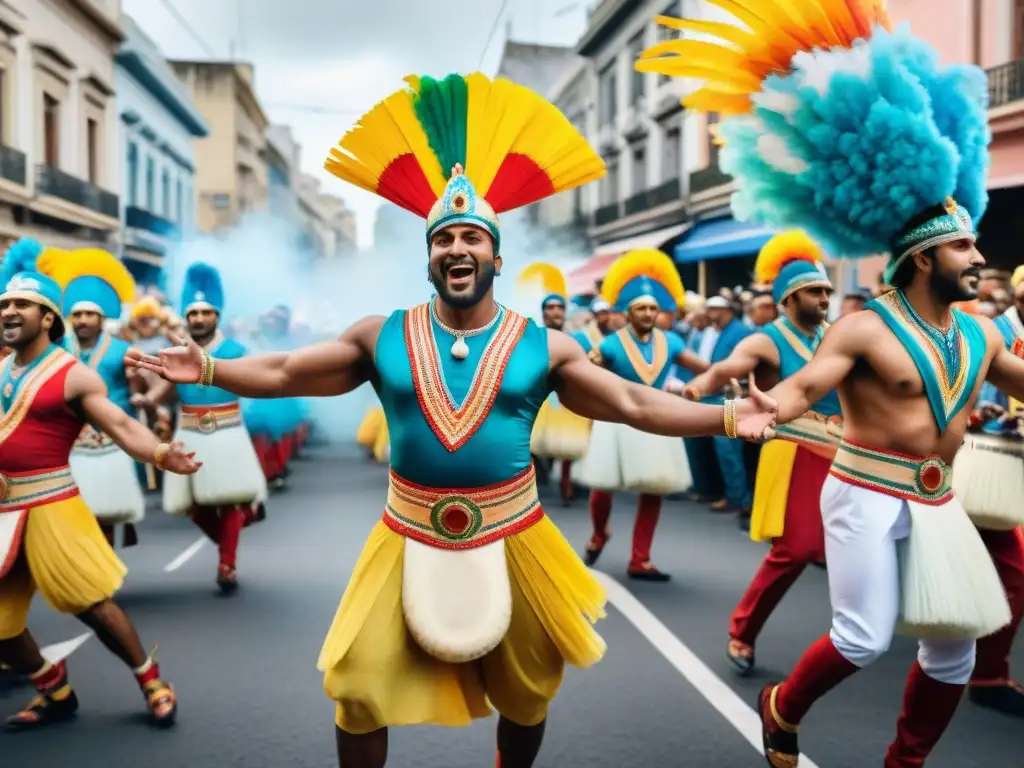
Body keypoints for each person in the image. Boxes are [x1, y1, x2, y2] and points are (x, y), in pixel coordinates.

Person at [126, 71, 776, 767]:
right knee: (357, 688)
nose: (457, 248)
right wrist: (211, 370)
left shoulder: (544, 344)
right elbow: (287, 372)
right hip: (405, 532)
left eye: (472, 238)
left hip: (515, 532)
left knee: (528, 695)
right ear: (429, 256)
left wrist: (727, 418)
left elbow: (635, 403)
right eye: (444, 240)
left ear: (497, 255)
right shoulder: (380, 336)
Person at [641, 3, 1020, 764]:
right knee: (862, 636)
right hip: (866, 491)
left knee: (952, 654)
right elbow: (803, 388)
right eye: (964, 245)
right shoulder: (862, 328)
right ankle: (781, 705)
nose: (979, 255)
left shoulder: (981, 332)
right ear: (922, 259)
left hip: (939, 495)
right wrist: (762, 408)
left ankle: (903, 761)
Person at [0, 253, 199, 730]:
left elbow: (122, 425)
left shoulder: (73, 375)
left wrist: (159, 453)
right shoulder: (2, 368)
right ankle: (54, 687)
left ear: (48, 317)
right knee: (2, 627)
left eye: (21, 305)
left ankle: (152, 681)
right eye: (4, 303)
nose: (8, 312)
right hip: (5, 512)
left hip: (52, 505)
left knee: (94, 607)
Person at [684, 231, 838, 672]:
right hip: (796, 450)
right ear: (788, 299)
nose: (824, 297)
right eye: (814, 291)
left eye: (827, 289)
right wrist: (698, 388)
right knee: (796, 551)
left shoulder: (840, 336)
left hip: (849, 453)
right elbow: (727, 368)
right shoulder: (768, 340)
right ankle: (743, 629)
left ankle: (857, 640)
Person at [133, 262, 266, 594]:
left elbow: (257, 384)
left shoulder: (237, 351)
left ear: (217, 316)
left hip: (229, 431)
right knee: (190, 505)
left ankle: (227, 564)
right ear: (186, 317)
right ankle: (230, 540)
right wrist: (145, 400)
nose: (199, 318)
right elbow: (162, 393)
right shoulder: (176, 353)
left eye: (206, 312)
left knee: (232, 500)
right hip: (189, 432)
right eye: (193, 313)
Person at [573, 248, 700, 582]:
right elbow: (585, 367)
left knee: (653, 490)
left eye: (653, 308)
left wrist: (728, 378)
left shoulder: (671, 340)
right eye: (641, 308)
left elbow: (704, 368)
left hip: (656, 418)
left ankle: (640, 559)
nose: (647, 313)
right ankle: (600, 533)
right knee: (602, 487)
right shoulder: (613, 345)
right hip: (616, 419)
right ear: (627, 312)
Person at [36, 247, 147, 548]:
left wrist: (139, 402)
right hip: (69, 440)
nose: (83, 319)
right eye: (78, 314)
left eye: (90, 314)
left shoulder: (123, 351)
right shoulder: (57, 352)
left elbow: (137, 388)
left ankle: (104, 577)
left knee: (106, 511)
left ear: (101, 318)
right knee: (74, 512)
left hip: (111, 436)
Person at [951, 265, 1024, 716]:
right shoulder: (990, 332)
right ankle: (984, 672)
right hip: (986, 469)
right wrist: (990, 417)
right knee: (1012, 573)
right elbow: (959, 400)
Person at [519, 263, 591, 504]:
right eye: (550, 307)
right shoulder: (532, 336)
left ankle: (566, 486)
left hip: (567, 398)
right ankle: (531, 482)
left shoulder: (578, 339)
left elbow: (591, 364)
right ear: (543, 312)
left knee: (569, 447)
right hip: (540, 398)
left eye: (559, 307)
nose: (555, 312)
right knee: (528, 443)